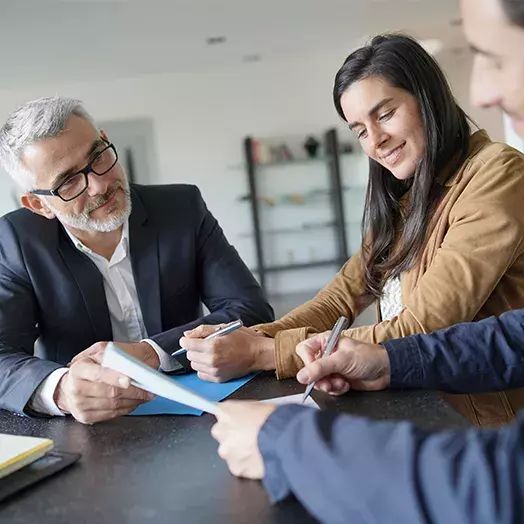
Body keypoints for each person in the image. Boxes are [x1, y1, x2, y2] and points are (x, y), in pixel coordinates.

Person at [211, 1, 524, 522]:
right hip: (419, 414)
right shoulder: (403, 198)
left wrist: (265, 354)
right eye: (358, 128)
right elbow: (340, 297)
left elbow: (425, 325)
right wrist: (253, 338)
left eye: (385, 113)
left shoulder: (498, 173)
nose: (374, 141)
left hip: (481, 438)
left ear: (428, 99)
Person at [0, 96, 274, 424]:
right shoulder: (15, 241)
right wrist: (60, 390)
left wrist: (151, 353)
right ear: (37, 205)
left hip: (198, 408)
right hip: (88, 430)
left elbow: (249, 309)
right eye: (69, 181)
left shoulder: (182, 208)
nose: (101, 184)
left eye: (99, 156)